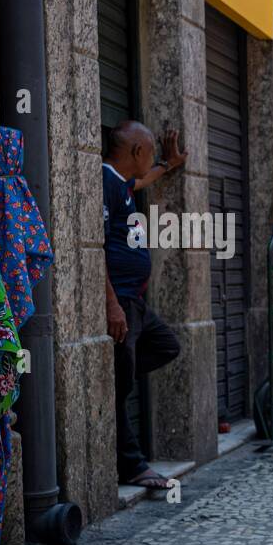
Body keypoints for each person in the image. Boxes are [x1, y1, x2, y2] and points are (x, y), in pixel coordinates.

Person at [102, 120, 187, 490]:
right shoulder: (104, 182)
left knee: (167, 345)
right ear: (136, 152)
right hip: (120, 302)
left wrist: (169, 165)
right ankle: (133, 466)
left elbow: (141, 181)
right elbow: (95, 250)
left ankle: (111, 379)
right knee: (119, 389)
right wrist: (112, 306)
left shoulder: (122, 184)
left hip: (134, 300)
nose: (152, 156)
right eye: (151, 151)